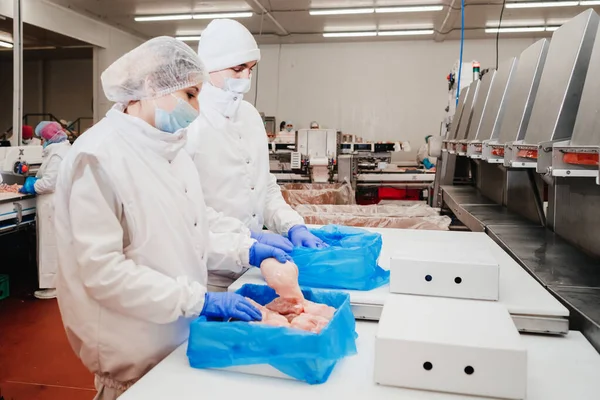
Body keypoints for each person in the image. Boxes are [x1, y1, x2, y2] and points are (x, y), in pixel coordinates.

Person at [53, 37, 288, 400]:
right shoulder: (98, 156)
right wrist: (199, 301)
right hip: (132, 352)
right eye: (191, 94)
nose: (196, 109)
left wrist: (246, 248)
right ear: (151, 85)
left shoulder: (170, 148)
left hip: (178, 339)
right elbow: (102, 273)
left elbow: (193, 229)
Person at [186, 19, 325, 290]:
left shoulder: (249, 116)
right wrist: (246, 237)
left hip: (257, 266)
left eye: (250, 69)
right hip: (208, 273)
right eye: (237, 69)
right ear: (208, 67)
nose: (246, 78)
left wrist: (292, 225)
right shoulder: (190, 121)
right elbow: (188, 209)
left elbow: (263, 186)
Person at [19, 121, 72, 299]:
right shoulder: (60, 150)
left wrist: (32, 185)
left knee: (50, 244)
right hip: (56, 203)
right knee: (55, 244)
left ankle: (53, 286)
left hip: (52, 203)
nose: (41, 141)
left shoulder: (57, 154)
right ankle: (58, 283)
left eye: (42, 137)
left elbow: (50, 183)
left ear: (48, 137)